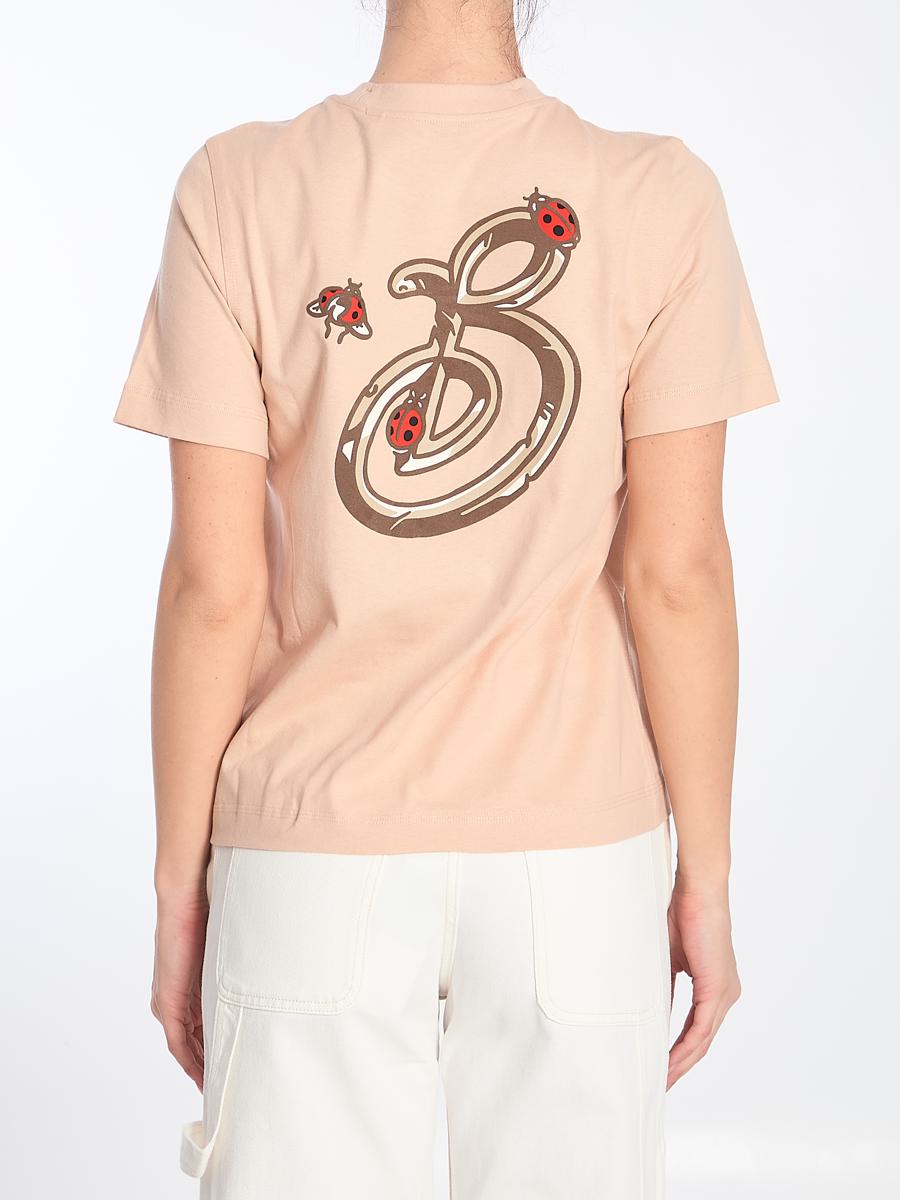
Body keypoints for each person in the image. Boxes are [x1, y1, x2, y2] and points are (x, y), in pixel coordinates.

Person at [115, 0, 779, 1194]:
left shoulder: (238, 188)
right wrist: (708, 875)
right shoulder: (659, 195)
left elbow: (215, 586)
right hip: (576, 860)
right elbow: (676, 575)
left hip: (313, 842)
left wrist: (179, 886)